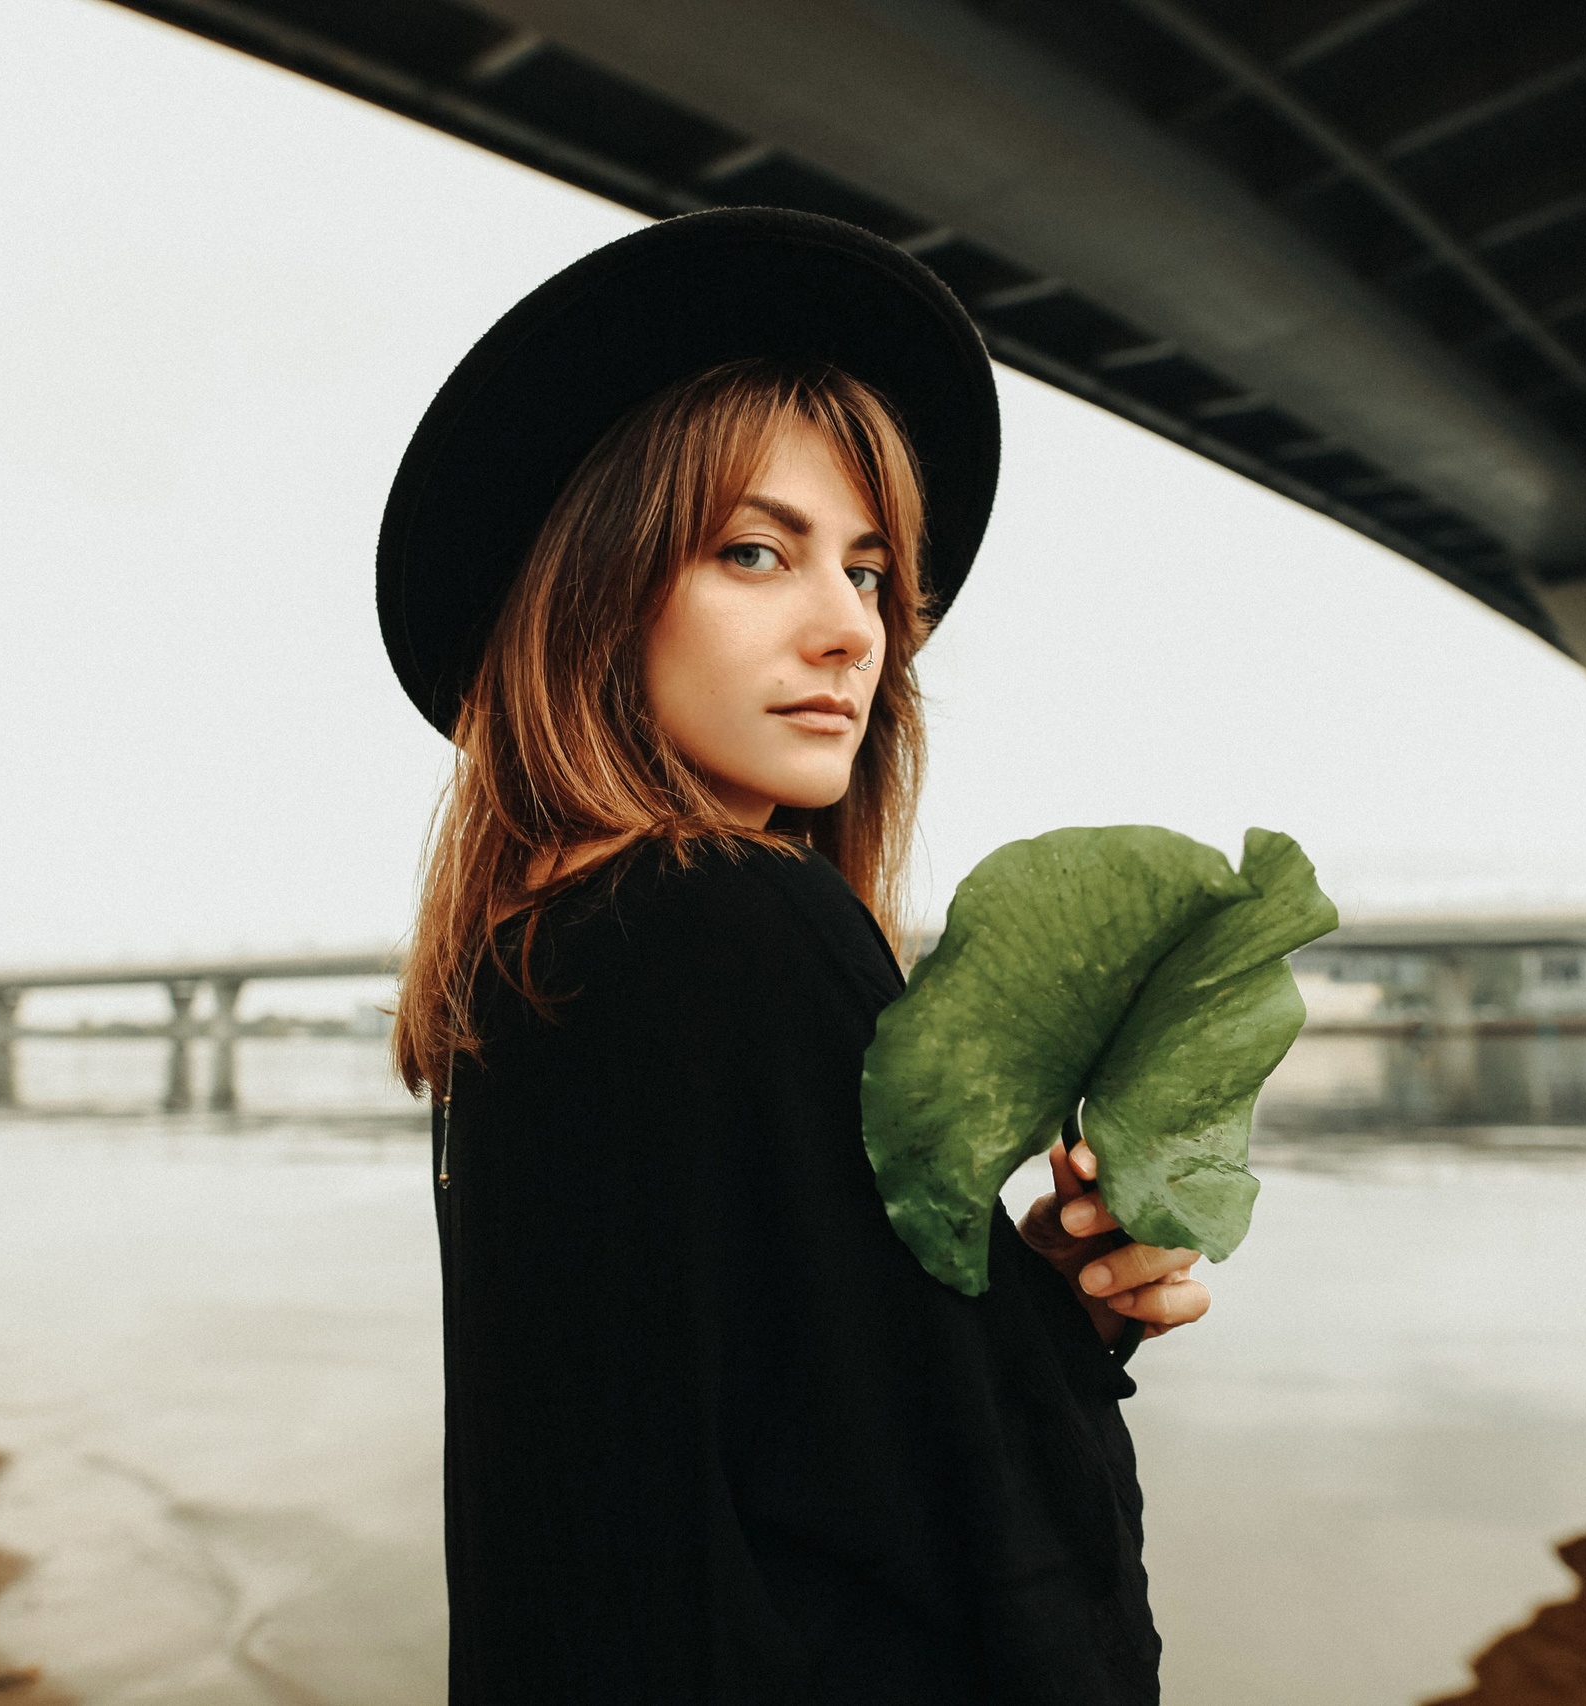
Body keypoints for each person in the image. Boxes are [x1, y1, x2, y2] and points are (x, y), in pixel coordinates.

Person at [378, 209, 1208, 1705]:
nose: (850, 630)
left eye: (873, 573)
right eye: (758, 551)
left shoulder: (521, 968)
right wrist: (1062, 1365)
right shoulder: (745, 923)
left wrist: (1036, 1306)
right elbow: (980, 1541)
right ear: (594, 588)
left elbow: (730, 1428)